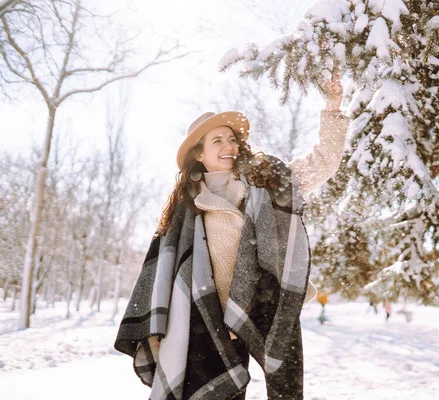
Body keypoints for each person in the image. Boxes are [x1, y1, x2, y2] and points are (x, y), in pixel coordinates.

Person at [114, 75, 348, 400]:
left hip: (267, 310)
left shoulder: (267, 181)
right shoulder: (187, 209)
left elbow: (323, 163)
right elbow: (167, 272)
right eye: (217, 141)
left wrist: (332, 109)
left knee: (286, 391)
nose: (229, 146)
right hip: (212, 324)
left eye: (231, 139)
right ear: (199, 154)